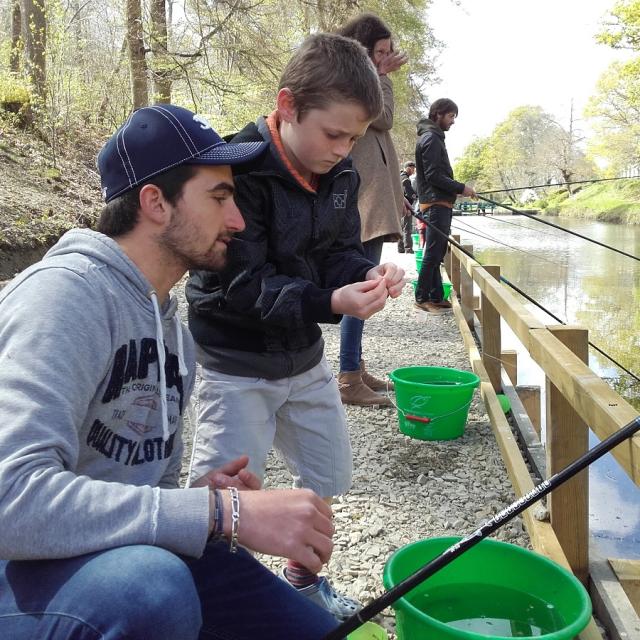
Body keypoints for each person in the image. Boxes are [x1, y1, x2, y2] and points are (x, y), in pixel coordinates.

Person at [0, 104, 342, 640]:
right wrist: (217, 511)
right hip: (17, 577)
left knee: (310, 629)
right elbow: (10, 500)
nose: (239, 221)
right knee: (151, 591)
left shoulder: (173, 334)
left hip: (110, 557)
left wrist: (203, 495)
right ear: (155, 202)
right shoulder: (64, 297)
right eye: (220, 197)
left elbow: (148, 488)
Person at [185, 34, 405, 621]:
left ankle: (303, 581)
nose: (343, 149)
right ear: (286, 106)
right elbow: (238, 284)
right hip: (234, 364)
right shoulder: (237, 172)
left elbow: (336, 251)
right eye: (334, 134)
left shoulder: (341, 176)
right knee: (222, 498)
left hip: (303, 359)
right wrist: (331, 300)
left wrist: (366, 273)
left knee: (328, 474)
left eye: (355, 138)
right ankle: (214, 605)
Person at [335, 13, 407, 407]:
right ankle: (348, 378)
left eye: (387, 52)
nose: (387, 58)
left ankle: (355, 367)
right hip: (359, 205)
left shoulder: (362, 81)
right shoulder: (356, 83)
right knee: (362, 290)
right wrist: (381, 75)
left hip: (368, 204)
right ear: (363, 50)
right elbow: (386, 116)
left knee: (365, 287)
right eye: (379, 52)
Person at [414, 98, 477, 314]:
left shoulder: (433, 137)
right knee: (433, 253)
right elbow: (433, 176)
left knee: (437, 252)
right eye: (451, 116)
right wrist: (462, 188)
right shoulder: (431, 138)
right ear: (438, 114)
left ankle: (436, 295)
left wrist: (456, 190)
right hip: (435, 205)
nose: (453, 122)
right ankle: (422, 297)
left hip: (438, 204)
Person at [399, 160, 417, 253]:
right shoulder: (405, 178)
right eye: (413, 168)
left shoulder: (401, 176)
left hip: (401, 205)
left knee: (402, 227)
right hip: (406, 206)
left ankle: (401, 248)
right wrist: (416, 196)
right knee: (407, 227)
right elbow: (409, 192)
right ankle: (408, 248)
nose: (414, 171)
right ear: (408, 168)